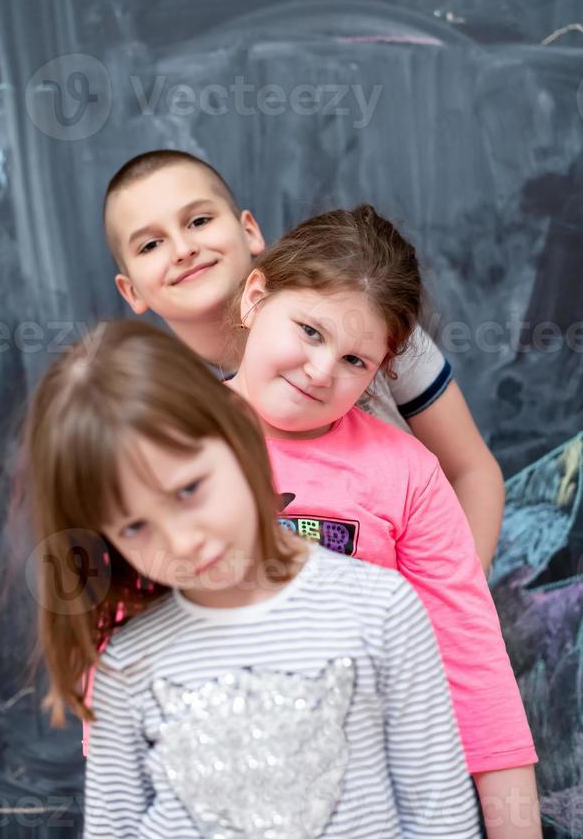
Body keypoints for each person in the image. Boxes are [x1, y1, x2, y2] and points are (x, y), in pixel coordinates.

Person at [21, 320, 481, 838]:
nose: (181, 541)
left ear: (236, 429)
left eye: (189, 489)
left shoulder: (381, 610)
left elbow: (440, 815)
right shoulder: (126, 666)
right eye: (134, 526)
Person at [225, 205, 542, 839]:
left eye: (355, 362)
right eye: (310, 331)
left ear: (383, 371)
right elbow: (120, 651)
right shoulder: (165, 441)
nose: (320, 371)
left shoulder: (407, 474)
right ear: (256, 297)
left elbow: (475, 666)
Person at [104, 150, 504, 572]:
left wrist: (440, 607)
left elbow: (472, 471)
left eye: (199, 221)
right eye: (151, 244)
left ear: (250, 231)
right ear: (131, 291)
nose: (183, 249)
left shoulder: (364, 320)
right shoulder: (161, 409)